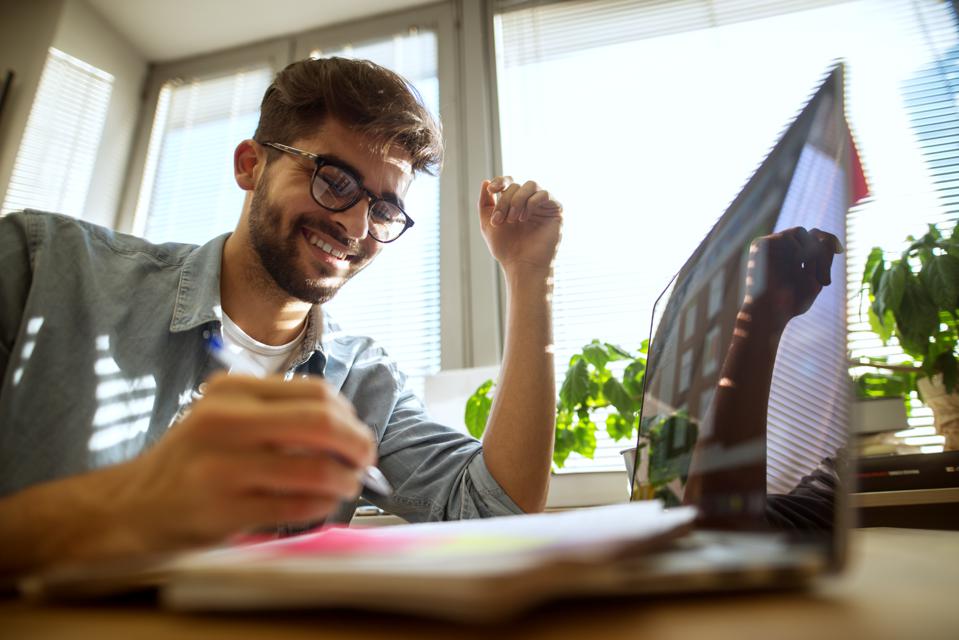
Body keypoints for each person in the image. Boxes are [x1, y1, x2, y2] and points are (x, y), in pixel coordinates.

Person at [0, 57, 562, 574]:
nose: (359, 228)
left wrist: (529, 274)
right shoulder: (41, 268)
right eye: (335, 181)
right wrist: (131, 503)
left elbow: (497, 512)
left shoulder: (365, 384)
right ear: (251, 165)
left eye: (385, 208)